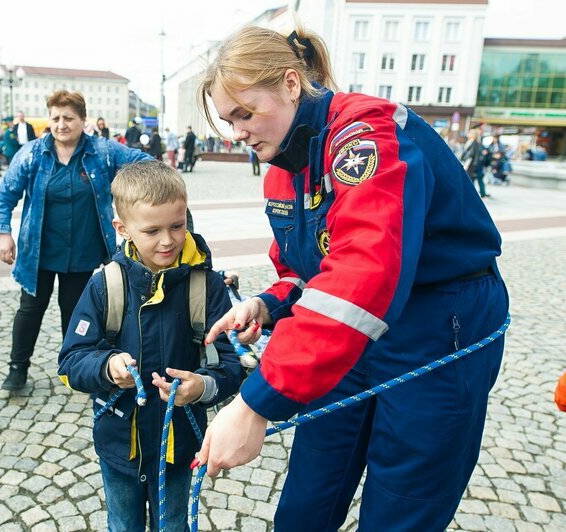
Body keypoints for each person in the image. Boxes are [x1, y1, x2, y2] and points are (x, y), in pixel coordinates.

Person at [196, 25, 508, 531]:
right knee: (310, 489)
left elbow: (366, 268)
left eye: (245, 113)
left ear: (291, 84)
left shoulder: (364, 134)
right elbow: (309, 268)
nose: (237, 133)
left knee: (401, 502)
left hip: (438, 322)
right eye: (228, 121)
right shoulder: (284, 164)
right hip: (352, 332)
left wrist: (256, 403)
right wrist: (271, 303)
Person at [57, 160, 243, 531]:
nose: (168, 240)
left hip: (180, 447)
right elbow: (70, 364)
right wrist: (106, 367)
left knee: (173, 525)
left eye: (177, 226)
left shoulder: (206, 286)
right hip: (118, 445)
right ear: (123, 229)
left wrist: (202, 386)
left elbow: (232, 362)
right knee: (123, 525)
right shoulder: (104, 285)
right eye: (152, 230)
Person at [0, 89, 152, 392]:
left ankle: (74, 368)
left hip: (82, 251)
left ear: (82, 120)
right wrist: (4, 235)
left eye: (69, 118)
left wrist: (130, 194)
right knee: (30, 310)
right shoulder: (32, 154)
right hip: (38, 251)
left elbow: (144, 162)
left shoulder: (102, 151)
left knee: (75, 311)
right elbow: (3, 196)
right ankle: (18, 369)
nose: (61, 124)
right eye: (55, 118)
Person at [461, 127, 488, 198]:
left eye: (470, 133)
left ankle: (470, 195)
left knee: (469, 179)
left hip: (471, 165)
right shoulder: (470, 141)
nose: (468, 134)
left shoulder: (474, 143)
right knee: (470, 179)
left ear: (473, 135)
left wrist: (466, 165)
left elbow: (471, 155)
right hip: (470, 164)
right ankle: (470, 194)